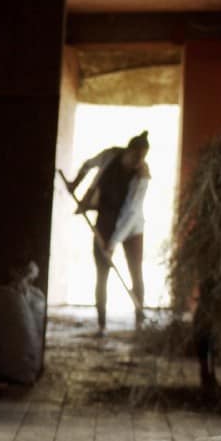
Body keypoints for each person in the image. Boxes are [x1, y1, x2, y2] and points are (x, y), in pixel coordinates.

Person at [64, 131, 150, 333]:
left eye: (143, 157)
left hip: (131, 228)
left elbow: (131, 212)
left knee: (135, 272)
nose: (139, 161)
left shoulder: (142, 176)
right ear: (128, 151)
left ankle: (140, 320)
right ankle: (101, 324)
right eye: (137, 156)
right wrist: (75, 184)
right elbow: (87, 165)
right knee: (101, 274)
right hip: (105, 220)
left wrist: (112, 244)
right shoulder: (110, 156)